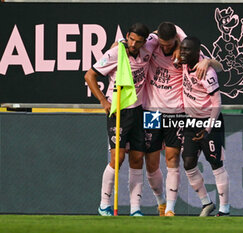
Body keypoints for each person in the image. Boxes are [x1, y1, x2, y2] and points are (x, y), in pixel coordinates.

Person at [143, 22, 222, 216]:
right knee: (151, 163)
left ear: (176, 41)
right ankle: (160, 202)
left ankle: (170, 208)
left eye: (170, 44)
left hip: (177, 112)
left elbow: (218, 67)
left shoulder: (184, 55)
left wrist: (208, 61)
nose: (166, 48)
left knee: (173, 159)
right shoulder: (152, 45)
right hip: (151, 111)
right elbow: (130, 45)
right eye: (164, 44)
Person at [84, 23, 154, 216]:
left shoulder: (149, 47)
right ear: (127, 36)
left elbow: (165, 34)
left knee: (138, 158)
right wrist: (103, 101)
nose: (134, 44)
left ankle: (135, 208)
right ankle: (104, 204)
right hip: (119, 111)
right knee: (118, 157)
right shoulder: (116, 53)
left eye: (138, 42)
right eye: (131, 39)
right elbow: (89, 75)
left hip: (139, 109)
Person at [180, 36, 230, 217]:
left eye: (186, 50)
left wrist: (208, 128)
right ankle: (206, 203)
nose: (182, 53)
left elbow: (217, 102)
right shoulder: (185, 62)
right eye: (182, 49)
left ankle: (224, 209)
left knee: (216, 163)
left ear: (196, 53)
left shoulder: (207, 73)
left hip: (209, 121)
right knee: (188, 163)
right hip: (191, 121)